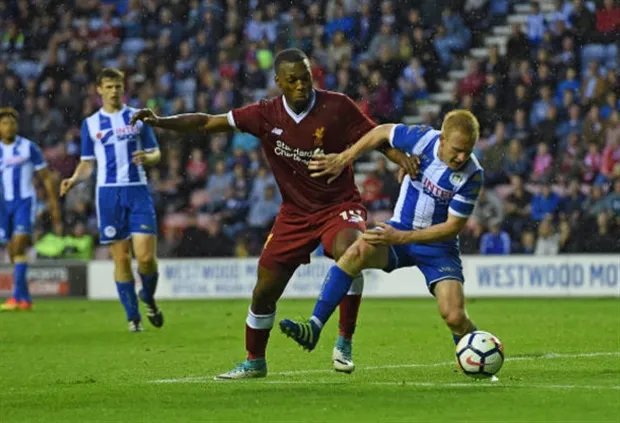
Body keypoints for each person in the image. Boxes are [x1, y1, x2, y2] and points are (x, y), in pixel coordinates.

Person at [131, 48, 417, 379]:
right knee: (264, 289)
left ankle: (343, 342)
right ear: (278, 81)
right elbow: (208, 122)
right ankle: (255, 360)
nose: (300, 85)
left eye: (306, 77)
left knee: (351, 251)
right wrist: (160, 121)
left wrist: (403, 160)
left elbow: (378, 139)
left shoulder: (337, 106)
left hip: (338, 206)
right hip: (294, 214)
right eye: (292, 80)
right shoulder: (264, 114)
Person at [279, 110, 489, 358]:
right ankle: (313, 327)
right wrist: (347, 158)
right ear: (442, 139)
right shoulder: (422, 139)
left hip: (438, 246)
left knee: (454, 316)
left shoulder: (472, 175)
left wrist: (401, 238)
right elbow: (379, 133)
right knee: (355, 252)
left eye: (468, 150)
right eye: (457, 149)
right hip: (398, 228)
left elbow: (452, 227)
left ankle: (479, 352)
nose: (462, 156)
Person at [60, 68, 163, 332]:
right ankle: (133, 317)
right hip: (107, 194)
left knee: (146, 258)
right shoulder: (91, 124)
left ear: (123, 87)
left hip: (137, 190)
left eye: (117, 86)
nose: (114, 91)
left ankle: (148, 297)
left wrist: (148, 158)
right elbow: (87, 163)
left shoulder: (137, 116)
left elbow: (155, 153)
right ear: (99, 90)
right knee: (121, 259)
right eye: (108, 87)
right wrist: (73, 179)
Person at [0, 107, 61, 311]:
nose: (9, 127)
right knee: (13, 251)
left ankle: (16, 297)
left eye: (12, 123)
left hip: (24, 202)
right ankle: (24, 299)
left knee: (18, 246)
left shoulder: (28, 148)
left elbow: (45, 177)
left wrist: (54, 205)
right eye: (5, 123)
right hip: (3, 205)